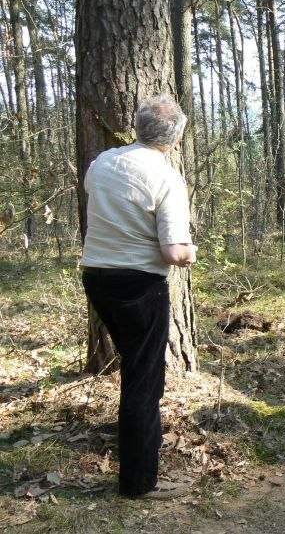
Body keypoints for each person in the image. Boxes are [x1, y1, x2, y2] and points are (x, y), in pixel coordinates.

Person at [81, 94, 197, 499]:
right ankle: (138, 483)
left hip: (96, 277)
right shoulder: (166, 178)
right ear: (177, 139)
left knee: (135, 370)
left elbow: (97, 195)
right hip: (139, 284)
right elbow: (174, 252)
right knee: (144, 384)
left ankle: (137, 468)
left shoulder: (102, 163)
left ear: (137, 127)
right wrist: (192, 252)